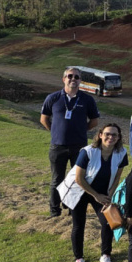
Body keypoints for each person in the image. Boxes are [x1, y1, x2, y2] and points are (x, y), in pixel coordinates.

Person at [56, 123, 128, 262]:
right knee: (79, 225)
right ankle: (79, 258)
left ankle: (105, 254)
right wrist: (96, 196)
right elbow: (79, 178)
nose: (111, 137)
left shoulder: (122, 152)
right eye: (107, 133)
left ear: (119, 137)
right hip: (80, 191)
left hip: (102, 193)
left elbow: (117, 178)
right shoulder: (87, 152)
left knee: (108, 222)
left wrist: (109, 196)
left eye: (115, 134)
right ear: (100, 135)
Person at [41, 66, 100, 217]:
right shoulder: (53, 98)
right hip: (58, 146)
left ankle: (72, 209)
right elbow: (44, 119)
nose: (73, 79)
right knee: (57, 179)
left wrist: (81, 130)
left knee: (77, 180)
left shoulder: (87, 99)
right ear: (64, 79)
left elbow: (94, 121)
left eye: (76, 77)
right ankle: (55, 211)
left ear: (80, 81)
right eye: (70, 76)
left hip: (79, 147)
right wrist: (55, 132)